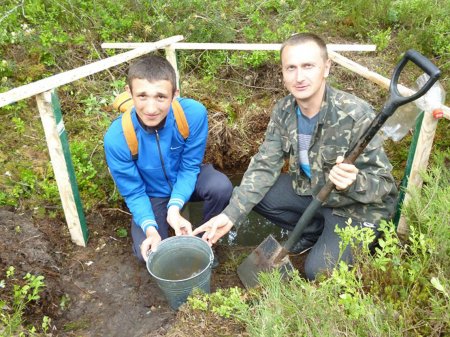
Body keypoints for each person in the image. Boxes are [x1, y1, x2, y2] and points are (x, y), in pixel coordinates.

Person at [193, 33, 398, 280]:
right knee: (254, 194)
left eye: (308, 66)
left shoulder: (355, 114)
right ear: (283, 73)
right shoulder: (284, 111)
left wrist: (354, 182)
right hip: (316, 193)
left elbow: (385, 186)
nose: (299, 77)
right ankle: (314, 232)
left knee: (318, 272)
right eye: (291, 68)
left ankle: (343, 240)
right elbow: (263, 167)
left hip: (355, 209)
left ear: (326, 68)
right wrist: (230, 214)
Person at [104, 55, 232, 263]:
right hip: (152, 193)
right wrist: (150, 229)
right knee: (149, 253)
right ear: (130, 93)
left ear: (175, 94)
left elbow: (190, 166)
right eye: (142, 96)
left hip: (187, 178)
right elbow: (134, 192)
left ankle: (205, 243)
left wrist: (174, 208)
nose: (151, 109)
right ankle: (161, 236)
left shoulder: (193, 114)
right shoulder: (117, 138)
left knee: (221, 187)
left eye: (161, 97)